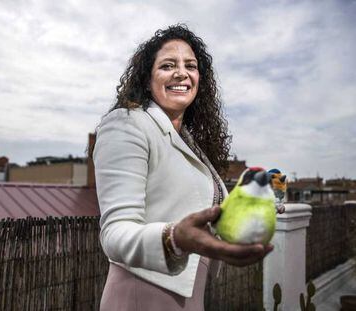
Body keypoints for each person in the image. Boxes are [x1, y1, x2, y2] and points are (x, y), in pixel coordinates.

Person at [93, 24, 273, 311]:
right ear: (147, 78)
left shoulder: (189, 143)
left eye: (190, 65)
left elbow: (205, 212)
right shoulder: (126, 124)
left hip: (191, 297)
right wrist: (174, 238)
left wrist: (257, 202)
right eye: (167, 65)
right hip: (142, 297)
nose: (181, 72)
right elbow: (115, 234)